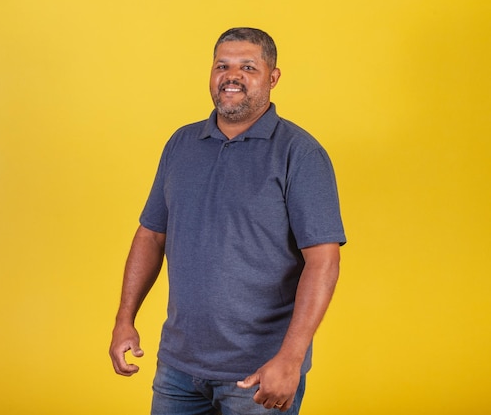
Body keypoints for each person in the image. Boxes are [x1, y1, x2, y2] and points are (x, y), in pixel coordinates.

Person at [109, 27, 346, 415]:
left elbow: (324, 261)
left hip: (257, 374)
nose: (231, 76)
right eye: (223, 65)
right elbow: (151, 235)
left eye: (248, 67)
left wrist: (290, 358)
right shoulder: (181, 144)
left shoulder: (300, 153)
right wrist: (124, 320)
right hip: (178, 369)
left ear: (273, 78)